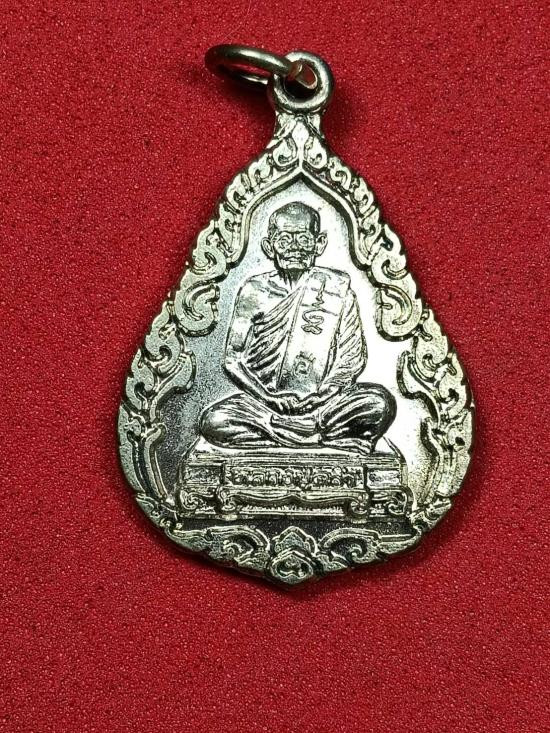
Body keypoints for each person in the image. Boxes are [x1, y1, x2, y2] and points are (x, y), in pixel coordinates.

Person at [200, 201, 395, 454]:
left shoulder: (337, 291)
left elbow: (351, 360)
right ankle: (311, 435)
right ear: (269, 246)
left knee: (379, 404)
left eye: (303, 239)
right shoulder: (253, 291)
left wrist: (321, 397)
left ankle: (292, 431)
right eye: (284, 240)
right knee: (213, 421)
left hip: (324, 406)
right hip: (264, 405)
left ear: (319, 243)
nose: (294, 248)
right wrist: (269, 398)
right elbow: (232, 360)